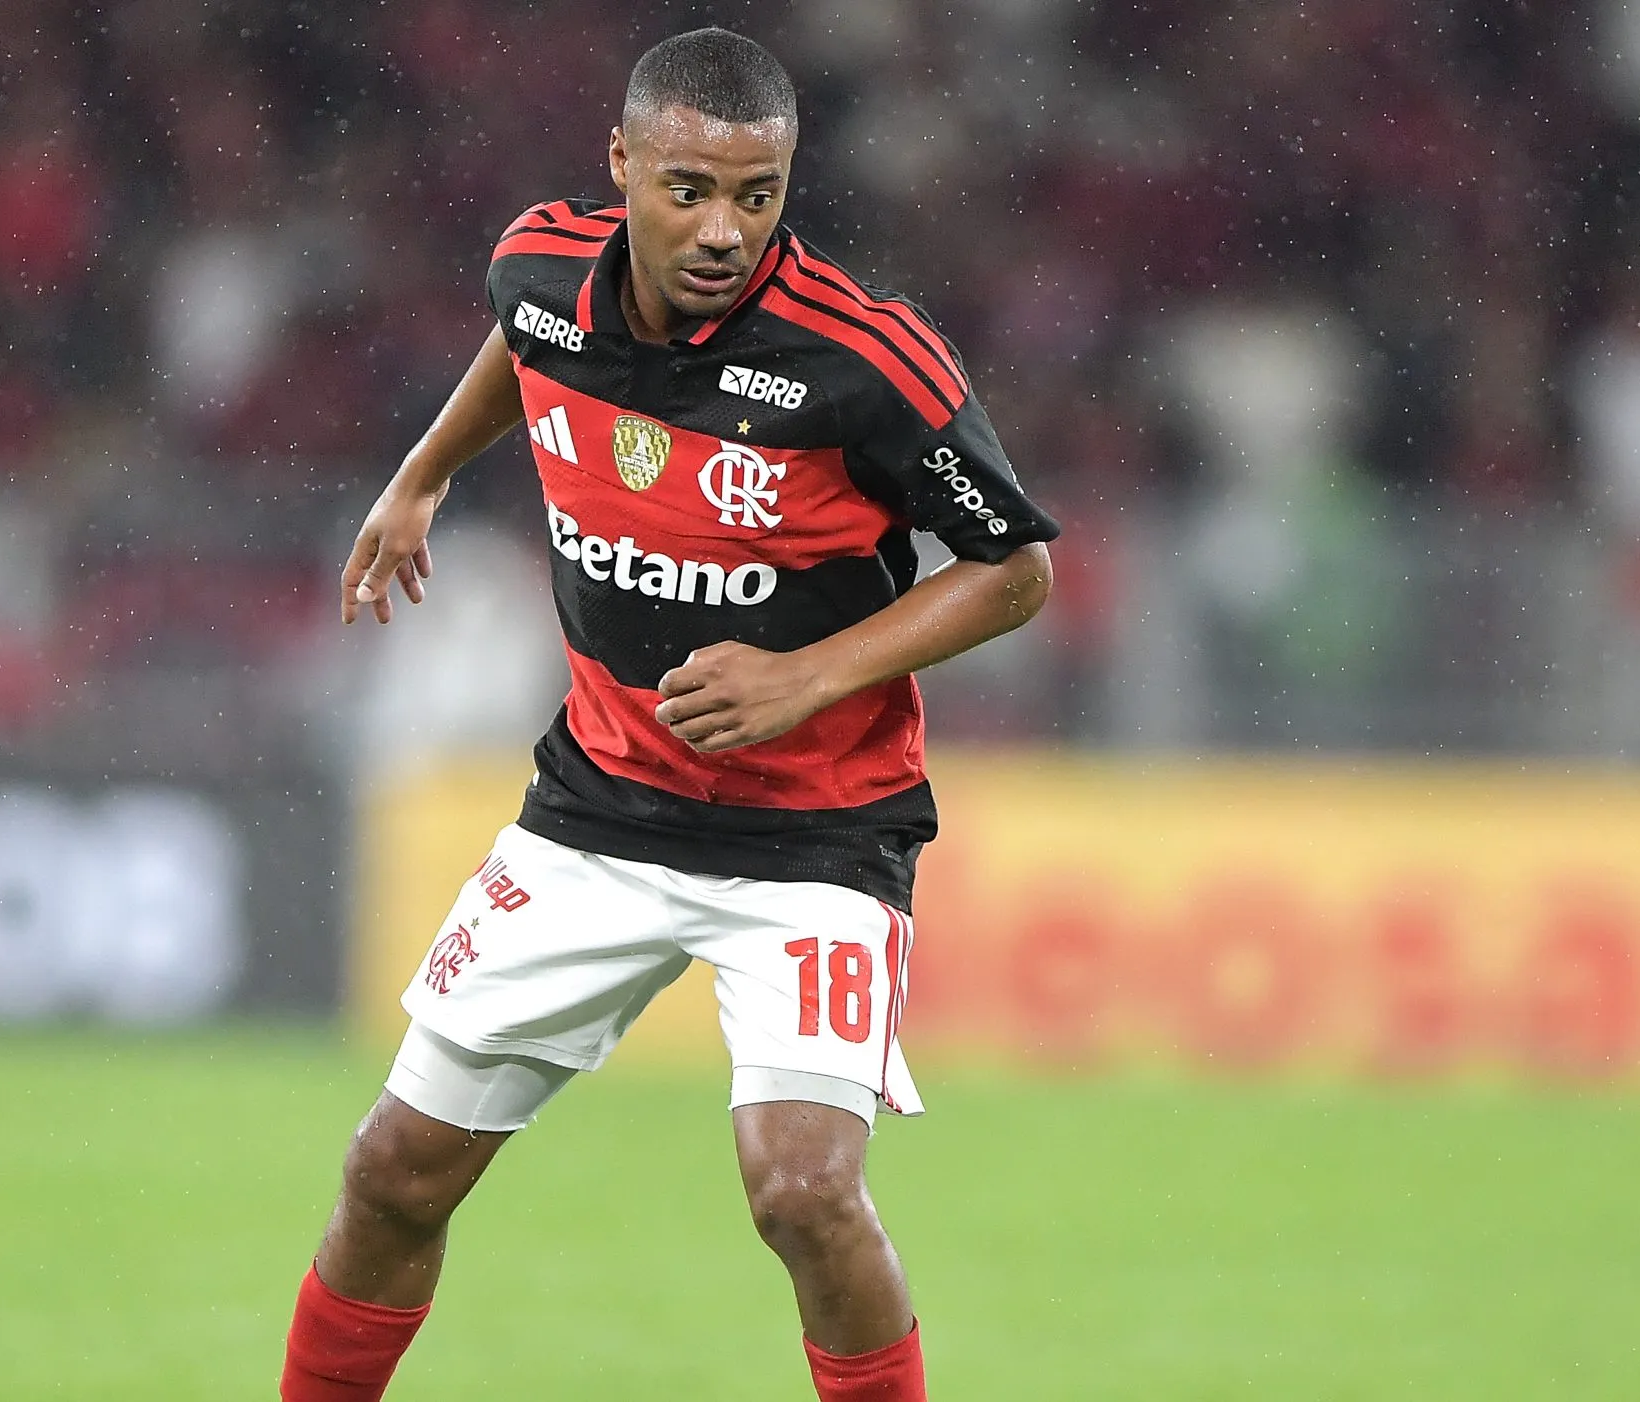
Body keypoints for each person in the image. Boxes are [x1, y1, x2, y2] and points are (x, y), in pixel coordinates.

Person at [280, 28, 1058, 1402]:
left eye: (757, 196)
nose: (722, 230)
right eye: (690, 189)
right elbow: (521, 341)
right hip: (594, 815)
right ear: (622, 165)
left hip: (817, 839)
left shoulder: (862, 361)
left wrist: (805, 677)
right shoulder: (537, 269)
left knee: (802, 1192)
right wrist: (420, 476)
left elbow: (1016, 570)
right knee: (391, 1170)